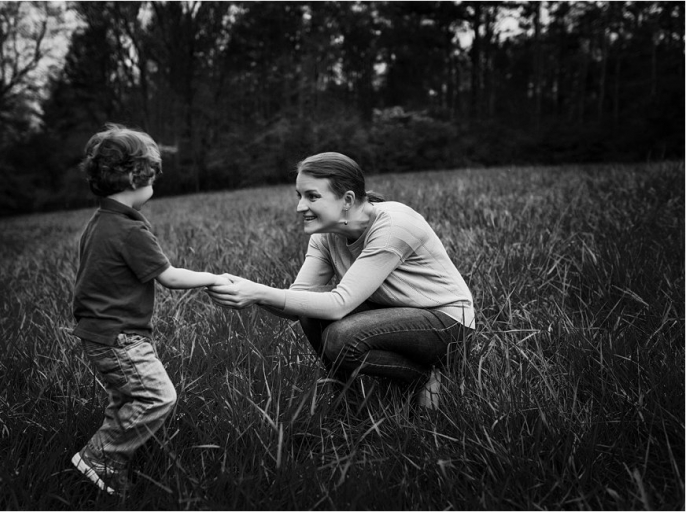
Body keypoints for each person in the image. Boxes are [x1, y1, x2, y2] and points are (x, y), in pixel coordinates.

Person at [208, 152, 475, 409]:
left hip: (446, 324)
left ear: (347, 199)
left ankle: (420, 377)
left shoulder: (394, 225)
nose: (301, 206)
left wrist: (258, 292)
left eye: (312, 196)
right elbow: (298, 300)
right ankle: (350, 401)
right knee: (310, 312)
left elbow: (339, 304)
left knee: (341, 337)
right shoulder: (325, 235)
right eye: (299, 196)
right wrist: (247, 290)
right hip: (393, 314)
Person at [70, 124, 230, 496]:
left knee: (127, 399)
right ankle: (99, 456)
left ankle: (112, 468)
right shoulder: (129, 230)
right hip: (120, 336)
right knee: (158, 397)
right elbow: (169, 277)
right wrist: (212, 277)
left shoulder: (100, 222)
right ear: (134, 178)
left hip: (103, 333)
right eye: (152, 177)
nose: (154, 184)